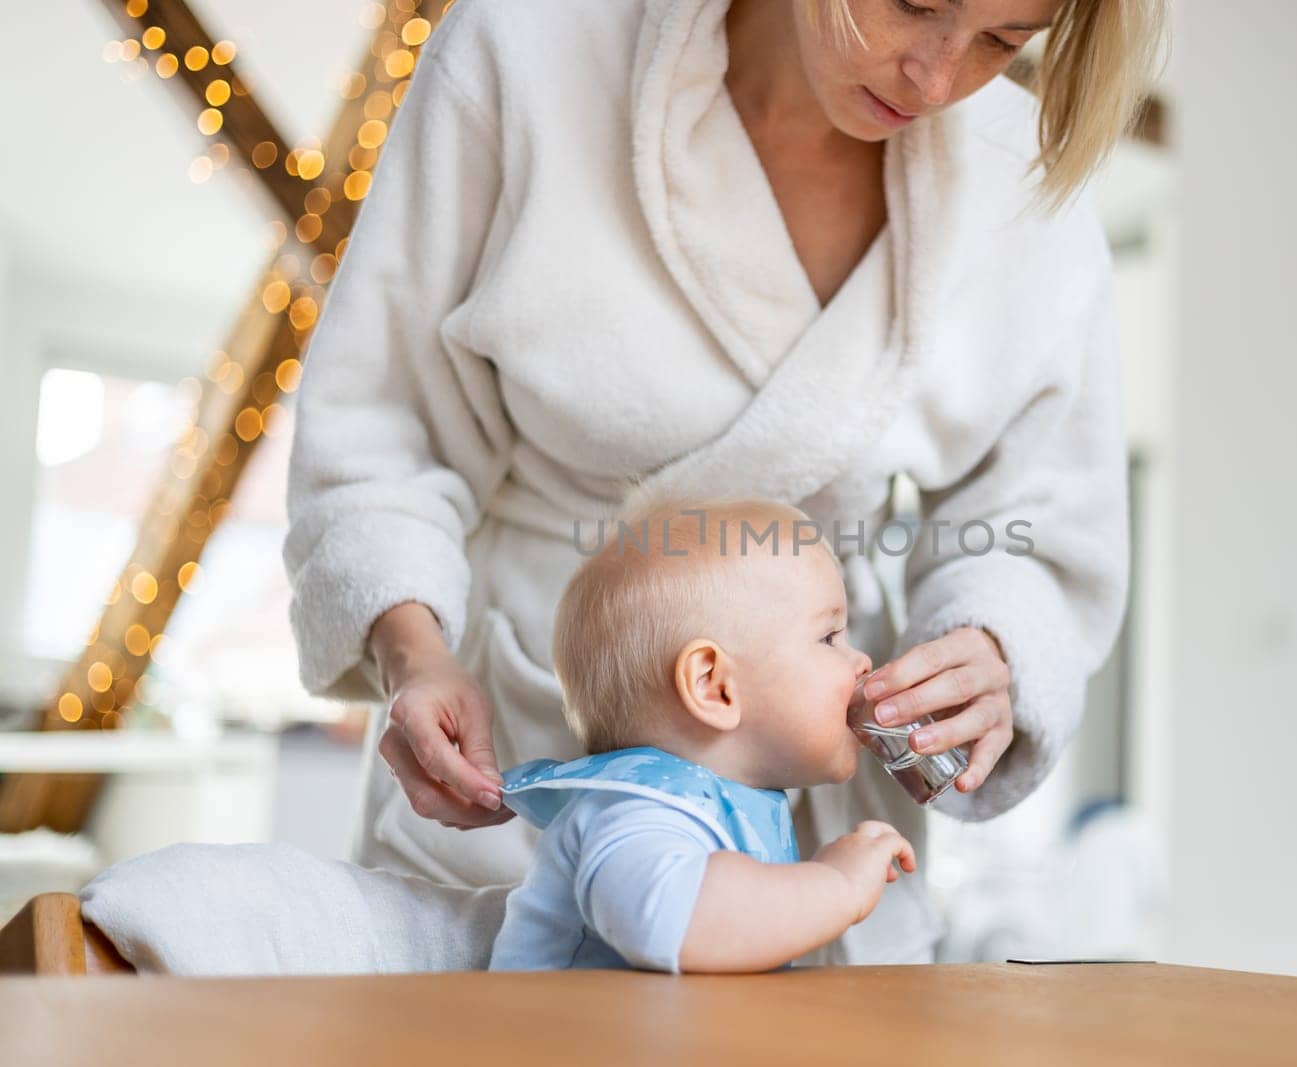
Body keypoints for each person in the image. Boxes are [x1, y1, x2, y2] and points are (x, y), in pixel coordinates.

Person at [282, 0, 1164, 965]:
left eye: (1005, 40)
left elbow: (1037, 524)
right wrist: (416, 657)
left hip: (820, 793)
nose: (940, 78)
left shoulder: (1024, 186)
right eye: (914, 5)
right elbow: (382, 425)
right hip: (517, 742)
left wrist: (987, 649)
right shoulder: (527, 53)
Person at [489, 495, 918, 973]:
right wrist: (836, 884)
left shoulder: (710, 804)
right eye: (829, 638)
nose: (861, 662)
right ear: (714, 686)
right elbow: (673, 920)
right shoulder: (640, 811)